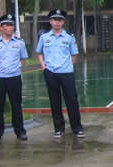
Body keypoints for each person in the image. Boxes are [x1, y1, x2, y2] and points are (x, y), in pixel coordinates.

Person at [36, 9, 85, 139]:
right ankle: (59, 129)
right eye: (55, 20)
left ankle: (77, 128)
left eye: (59, 20)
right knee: (55, 100)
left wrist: (68, 66)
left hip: (66, 73)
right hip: (51, 72)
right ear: (50, 21)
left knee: (72, 100)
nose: (57, 22)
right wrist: (44, 67)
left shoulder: (69, 37)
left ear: (63, 22)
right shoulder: (44, 37)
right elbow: (39, 53)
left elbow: (74, 54)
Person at [0, 14, 28, 142]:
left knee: (16, 105)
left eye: (12, 25)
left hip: (14, 77)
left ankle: (20, 131)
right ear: (1, 27)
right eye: (7, 25)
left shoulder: (19, 43)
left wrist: (15, 69)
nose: (10, 27)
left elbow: (23, 59)